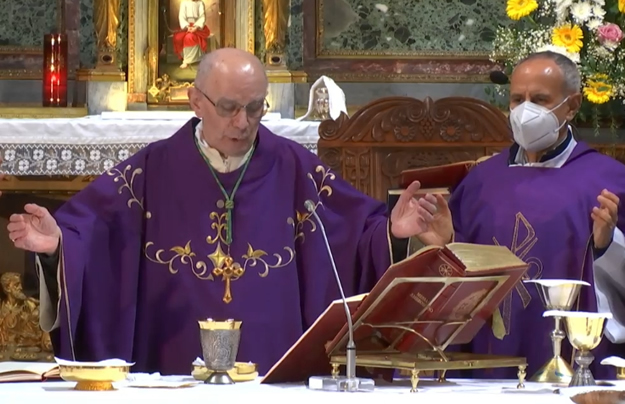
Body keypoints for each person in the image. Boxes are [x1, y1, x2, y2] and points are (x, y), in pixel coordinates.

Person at [7, 48, 436, 375]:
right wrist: (59, 244)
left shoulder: (294, 167)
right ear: (196, 101)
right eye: (229, 108)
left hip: (274, 369)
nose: (243, 123)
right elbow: (94, 232)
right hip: (172, 366)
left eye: (255, 107)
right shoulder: (152, 169)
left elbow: (352, 233)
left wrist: (392, 233)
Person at [411, 50, 625, 379]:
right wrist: (449, 242)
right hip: (488, 357)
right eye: (517, 99)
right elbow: (459, 278)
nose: (525, 111)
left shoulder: (608, 181)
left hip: (574, 363)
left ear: (572, 105)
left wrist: (607, 246)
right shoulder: (481, 181)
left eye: (539, 100)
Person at [173, 0, 211, 69]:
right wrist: (187, 26)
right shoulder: (184, 3)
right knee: (178, 38)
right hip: (186, 26)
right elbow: (181, 17)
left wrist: (196, 27)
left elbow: (202, 17)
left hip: (197, 27)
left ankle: (187, 61)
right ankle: (184, 57)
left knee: (189, 37)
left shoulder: (200, 3)